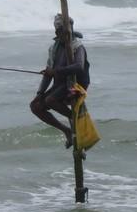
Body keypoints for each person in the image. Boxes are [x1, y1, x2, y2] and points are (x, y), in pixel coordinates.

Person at [30, 14, 91, 146]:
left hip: (76, 85)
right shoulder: (54, 48)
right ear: (57, 32)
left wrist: (55, 72)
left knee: (51, 100)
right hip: (60, 85)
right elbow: (48, 73)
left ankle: (74, 119)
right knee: (35, 106)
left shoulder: (77, 46)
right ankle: (67, 130)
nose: (66, 34)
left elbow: (79, 67)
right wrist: (39, 93)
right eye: (63, 31)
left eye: (68, 30)